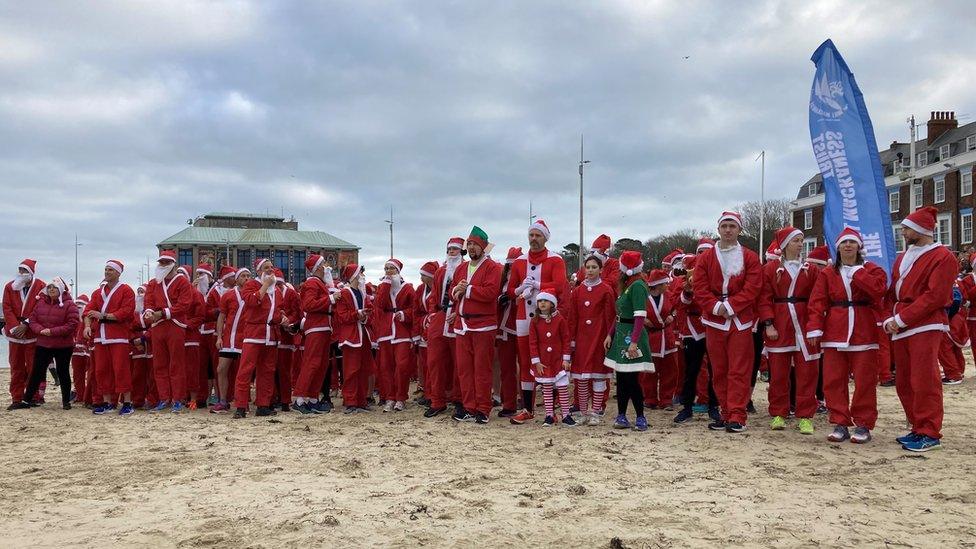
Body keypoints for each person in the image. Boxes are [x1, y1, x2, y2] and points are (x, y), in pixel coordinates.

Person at [883, 206, 958, 452]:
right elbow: (893, 289)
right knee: (904, 380)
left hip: (925, 324)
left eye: (906, 228)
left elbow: (934, 296)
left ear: (920, 230)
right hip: (902, 322)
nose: (903, 232)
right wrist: (888, 317)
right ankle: (917, 425)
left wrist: (901, 318)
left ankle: (929, 430)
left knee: (924, 379)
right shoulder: (904, 257)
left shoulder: (942, 257)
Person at [806, 228, 887, 443]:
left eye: (852, 242)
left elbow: (879, 291)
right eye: (844, 243)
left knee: (865, 380)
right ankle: (840, 421)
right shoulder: (828, 273)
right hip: (835, 330)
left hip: (863, 330)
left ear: (860, 247)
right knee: (833, 379)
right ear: (838, 247)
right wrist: (815, 327)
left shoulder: (872, 270)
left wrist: (858, 273)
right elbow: (817, 302)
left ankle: (863, 423)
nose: (848, 246)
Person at [691, 211, 762, 433]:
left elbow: (753, 287)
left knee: (739, 369)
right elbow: (699, 288)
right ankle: (725, 412)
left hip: (740, 320)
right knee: (719, 370)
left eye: (732, 226)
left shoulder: (749, 256)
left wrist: (731, 306)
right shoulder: (705, 258)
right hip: (714, 321)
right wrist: (716, 307)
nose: (728, 230)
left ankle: (738, 415)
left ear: (739, 229)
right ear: (718, 229)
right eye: (725, 226)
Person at [758, 226, 822, 435]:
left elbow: (816, 299)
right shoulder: (769, 270)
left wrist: (814, 327)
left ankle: (805, 416)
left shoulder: (811, 270)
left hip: (804, 325)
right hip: (781, 323)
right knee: (778, 373)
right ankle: (779, 412)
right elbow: (764, 298)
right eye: (796, 240)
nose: (800, 244)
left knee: (807, 373)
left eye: (801, 240)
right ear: (785, 245)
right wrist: (768, 323)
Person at [506, 220, 570, 425]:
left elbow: (560, 286)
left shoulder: (556, 260)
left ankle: (552, 408)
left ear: (545, 238)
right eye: (531, 235)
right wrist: (519, 289)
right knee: (526, 361)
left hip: (549, 318)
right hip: (524, 317)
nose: (533, 239)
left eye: (538, 236)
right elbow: (510, 291)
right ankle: (527, 407)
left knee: (551, 359)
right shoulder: (519, 262)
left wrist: (538, 285)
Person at [449, 226, 502, 424]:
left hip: (483, 325)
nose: (471, 248)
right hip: (462, 323)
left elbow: (490, 293)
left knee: (481, 369)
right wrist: (456, 291)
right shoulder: (462, 268)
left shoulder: (493, 267)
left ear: (483, 247)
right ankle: (469, 407)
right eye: (469, 244)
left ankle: (483, 409)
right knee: (464, 369)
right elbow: (452, 293)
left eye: (474, 244)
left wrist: (467, 290)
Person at [10, 278, 79, 410]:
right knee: (37, 372)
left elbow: (72, 324)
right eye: (49, 287)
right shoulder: (41, 302)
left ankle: (66, 402)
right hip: (44, 343)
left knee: (63, 371)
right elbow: (33, 319)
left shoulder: (70, 305)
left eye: (54, 287)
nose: (51, 289)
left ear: (60, 289)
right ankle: (26, 400)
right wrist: (40, 330)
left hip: (63, 345)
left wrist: (52, 331)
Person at [604, 251, 654, 431]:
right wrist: (610, 334)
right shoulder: (626, 285)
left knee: (632, 379)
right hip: (620, 334)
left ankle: (640, 416)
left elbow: (640, 316)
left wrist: (634, 342)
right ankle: (621, 415)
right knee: (622, 379)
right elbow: (619, 314)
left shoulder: (638, 286)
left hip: (631, 335)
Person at [233, 258, 288, 419]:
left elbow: (277, 311)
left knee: (267, 371)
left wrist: (282, 318)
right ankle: (241, 407)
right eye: (266, 268)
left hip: (270, 336)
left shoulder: (276, 291)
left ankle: (263, 404)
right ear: (258, 271)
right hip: (253, 335)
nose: (270, 270)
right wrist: (265, 286)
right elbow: (251, 301)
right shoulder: (251, 285)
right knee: (245, 371)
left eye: (271, 267)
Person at [143, 250, 193, 413]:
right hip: (158, 326)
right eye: (161, 262)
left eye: (166, 262)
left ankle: (177, 398)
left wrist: (163, 313)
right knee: (159, 364)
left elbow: (184, 304)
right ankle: (164, 398)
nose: (162, 265)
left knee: (176, 363)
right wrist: (149, 312)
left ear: (173, 264)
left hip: (175, 325)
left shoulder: (182, 282)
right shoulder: (153, 283)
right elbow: (148, 301)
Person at [83, 260, 136, 415]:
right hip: (100, 337)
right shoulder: (97, 292)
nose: (106, 272)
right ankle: (107, 402)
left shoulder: (126, 291)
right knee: (102, 370)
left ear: (118, 273)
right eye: (105, 269)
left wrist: (104, 315)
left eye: (110, 270)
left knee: (121, 370)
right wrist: (87, 326)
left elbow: (126, 312)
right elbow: (88, 311)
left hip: (118, 337)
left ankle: (127, 402)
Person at [567, 254, 615, 425]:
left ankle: (595, 411)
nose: (590, 270)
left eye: (594, 267)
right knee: (581, 376)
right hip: (581, 338)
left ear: (601, 270)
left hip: (598, 337)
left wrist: (610, 335)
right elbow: (572, 317)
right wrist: (571, 340)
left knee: (598, 375)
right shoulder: (577, 291)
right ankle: (581, 411)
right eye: (588, 267)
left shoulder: (606, 290)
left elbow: (610, 316)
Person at [672, 255, 720, 424]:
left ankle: (714, 406)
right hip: (692, 329)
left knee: (715, 369)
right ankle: (687, 407)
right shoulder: (682, 281)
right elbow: (678, 303)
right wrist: (688, 290)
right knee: (691, 370)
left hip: (713, 324)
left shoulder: (713, 278)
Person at [423, 238, 465, 418]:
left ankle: (459, 399)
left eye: (455, 249)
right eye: (450, 249)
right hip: (440, 316)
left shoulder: (466, 269)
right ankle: (437, 400)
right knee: (434, 361)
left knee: (459, 362)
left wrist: (459, 312)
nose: (452, 252)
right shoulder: (441, 271)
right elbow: (434, 295)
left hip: (457, 316)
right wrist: (432, 314)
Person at [294, 254, 338, 414]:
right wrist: (331, 298)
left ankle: (313, 398)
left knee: (321, 364)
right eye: (324, 264)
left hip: (324, 327)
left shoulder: (320, 283)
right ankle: (300, 399)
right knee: (312, 363)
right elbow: (309, 305)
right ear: (318, 267)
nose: (327, 267)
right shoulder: (312, 283)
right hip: (316, 327)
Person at [374, 258, 416, 412]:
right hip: (386, 332)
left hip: (402, 332)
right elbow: (380, 304)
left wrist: (404, 314)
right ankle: (390, 397)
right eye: (386, 269)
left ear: (398, 271)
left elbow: (414, 310)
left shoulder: (408, 288)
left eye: (391, 269)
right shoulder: (382, 287)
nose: (388, 272)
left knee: (402, 366)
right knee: (386, 367)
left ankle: (401, 397)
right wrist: (385, 284)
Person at [528, 288, 574, 426]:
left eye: (545, 301)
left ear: (552, 303)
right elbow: (532, 342)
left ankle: (565, 414)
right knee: (546, 387)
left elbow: (566, 339)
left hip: (558, 359)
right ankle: (549, 415)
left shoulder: (559, 319)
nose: (542, 303)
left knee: (562, 387)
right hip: (543, 361)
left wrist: (566, 359)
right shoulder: (534, 321)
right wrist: (536, 361)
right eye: (540, 301)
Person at [4, 259, 45, 409]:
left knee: (34, 367)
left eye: (24, 270)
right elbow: (7, 308)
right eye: (20, 270)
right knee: (16, 366)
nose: (21, 273)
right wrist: (15, 327)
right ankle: (17, 397)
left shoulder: (41, 286)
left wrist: (26, 324)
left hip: (32, 331)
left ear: (31, 273)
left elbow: (40, 308)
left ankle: (32, 397)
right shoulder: (10, 287)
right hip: (15, 334)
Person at [334, 263, 373, 413]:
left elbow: (370, 313)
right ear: (354, 276)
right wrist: (358, 314)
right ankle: (350, 401)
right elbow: (342, 316)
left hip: (362, 335)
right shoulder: (344, 293)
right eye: (360, 273)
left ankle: (361, 400)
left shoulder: (362, 294)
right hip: (351, 336)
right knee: (351, 370)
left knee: (364, 369)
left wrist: (364, 316)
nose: (362, 276)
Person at [212, 267, 250, 413]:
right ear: (237, 279)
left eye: (248, 276)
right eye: (243, 276)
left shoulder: (252, 295)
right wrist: (219, 337)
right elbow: (221, 317)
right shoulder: (228, 295)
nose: (246, 278)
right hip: (229, 339)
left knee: (243, 372)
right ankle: (222, 400)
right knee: (221, 369)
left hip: (245, 339)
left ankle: (242, 401)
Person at [641, 269, 679, 411]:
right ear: (658, 285)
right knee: (648, 371)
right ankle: (649, 398)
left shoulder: (668, 296)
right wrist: (642, 319)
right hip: (650, 337)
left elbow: (677, 307)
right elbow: (635, 310)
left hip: (666, 336)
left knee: (670, 370)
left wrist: (672, 316)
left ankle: (666, 399)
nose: (668, 286)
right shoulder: (644, 297)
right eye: (665, 283)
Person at [494, 248, 521, 417]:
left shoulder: (527, 278)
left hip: (521, 325)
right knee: (506, 367)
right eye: (509, 265)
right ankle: (509, 404)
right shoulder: (502, 279)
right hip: (504, 328)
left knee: (525, 368)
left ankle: (526, 404)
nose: (511, 268)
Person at [177, 265, 206, 410]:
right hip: (176, 337)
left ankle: (193, 398)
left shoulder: (196, 295)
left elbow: (200, 316)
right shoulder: (174, 295)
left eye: (182, 275)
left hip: (191, 337)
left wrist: (185, 324)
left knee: (192, 368)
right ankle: (180, 397)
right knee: (178, 368)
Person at [71, 294, 90, 404]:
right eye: (77, 304)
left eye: (81, 305)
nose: (79, 307)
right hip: (76, 351)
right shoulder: (73, 320)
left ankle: (87, 395)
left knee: (90, 374)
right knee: (78, 375)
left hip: (88, 351)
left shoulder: (89, 320)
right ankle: (80, 395)